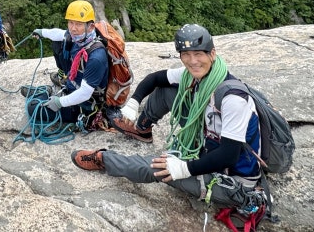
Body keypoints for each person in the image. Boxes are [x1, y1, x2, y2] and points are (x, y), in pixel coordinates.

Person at [70, 24, 268, 226]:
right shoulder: (194, 75)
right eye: (186, 54)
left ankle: (104, 159)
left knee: (156, 168)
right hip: (208, 142)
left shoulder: (233, 98)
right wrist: (134, 102)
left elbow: (228, 155)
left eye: (198, 54)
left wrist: (184, 168)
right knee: (166, 91)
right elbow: (154, 78)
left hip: (233, 177)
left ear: (212, 54)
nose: (193, 61)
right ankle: (142, 129)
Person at [24, 0, 109, 126]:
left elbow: (85, 93)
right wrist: (41, 32)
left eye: (78, 24)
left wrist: (60, 102)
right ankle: (57, 84)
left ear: (90, 26)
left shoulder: (96, 57)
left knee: (33, 109)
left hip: (84, 105)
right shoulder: (80, 38)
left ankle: (45, 93)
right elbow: (58, 34)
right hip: (73, 85)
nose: (73, 29)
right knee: (59, 42)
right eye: (70, 23)